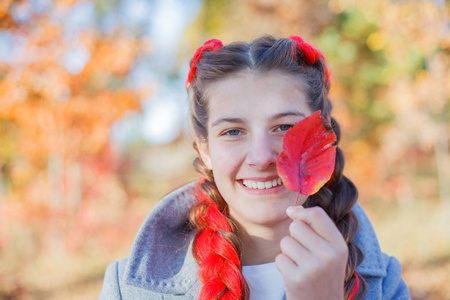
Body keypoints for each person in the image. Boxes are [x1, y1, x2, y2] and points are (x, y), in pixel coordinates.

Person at [99, 35, 411, 300]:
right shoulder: (128, 289)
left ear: (321, 138)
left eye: (285, 127)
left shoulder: (385, 285)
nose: (262, 157)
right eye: (233, 131)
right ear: (204, 149)